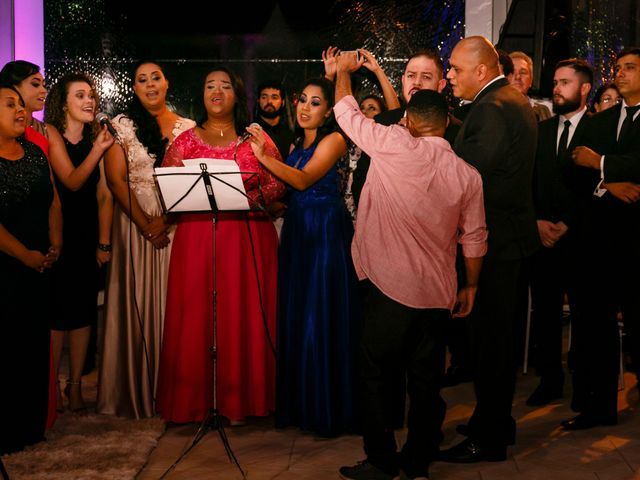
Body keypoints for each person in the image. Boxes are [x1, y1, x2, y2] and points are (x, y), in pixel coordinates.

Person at [333, 52, 487, 480]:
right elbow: (474, 238)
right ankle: (418, 460)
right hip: (438, 295)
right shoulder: (467, 174)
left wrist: (343, 72)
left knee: (375, 378)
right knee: (425, 384)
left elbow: (344, 110)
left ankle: (381, 461)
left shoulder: (391, 142)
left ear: (411, 121)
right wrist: (470, 286)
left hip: (388, 291)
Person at [156, 66, 285, 424]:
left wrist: (245, 194)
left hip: (247, 238)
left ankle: (244, 400)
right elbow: (168, 188)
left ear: (237, 95)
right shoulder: (182, 142)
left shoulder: (255, 138)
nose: (216, 91)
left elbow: (277, 183)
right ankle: (195, 401)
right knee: (198, 313)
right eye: (209, 85)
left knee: (240, 314)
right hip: (197, 239)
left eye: (225, 86)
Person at [439, 36, 539, 463]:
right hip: (508, 239)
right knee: (496, 341)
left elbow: (466, 177)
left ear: (481, 70)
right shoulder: (509, 101)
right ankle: (495, 422)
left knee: (491, 346)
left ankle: (490, 437)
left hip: (496, 243)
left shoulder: (494, 107)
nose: (450, 76)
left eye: (456, 69)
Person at [245, 77, 360, 436]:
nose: (305, 107)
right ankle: (302, 404)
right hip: (298, 230)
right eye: (303, 101)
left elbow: (303, 179)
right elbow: (290, 190)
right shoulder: (297, 142)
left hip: (325, 232)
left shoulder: (335, 140)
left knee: (320, 315)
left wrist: (263, 156)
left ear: (328, 111)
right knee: (299, 314)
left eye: (315, 103)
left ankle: (328, 408)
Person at [98, 61, 195, 419]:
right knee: (136, 299)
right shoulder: (121, 126)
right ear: (134, 88)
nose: (150, 84)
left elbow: (191, 183)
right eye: (142, 80)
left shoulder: (188, 128)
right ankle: (137, 390)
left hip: (175, 224)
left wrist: (166, 220)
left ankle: (176, 392)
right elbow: (115, 180)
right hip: (133, 222)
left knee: (176, 304)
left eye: (156, 77)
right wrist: (144, 225)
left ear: (167, 83)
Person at [567, 46, 640, 430]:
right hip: (600, 243)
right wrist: (607, 183)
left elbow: (595, 160)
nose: (621, 73)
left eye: (630, 67)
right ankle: (598, 409)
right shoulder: (600, 121)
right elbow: (574, 165)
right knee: (596, 327)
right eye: (618, 68)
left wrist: (601, 163)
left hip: (638, 244)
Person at [43, 73, 114, 413]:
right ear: (64, 103)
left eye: (91, 95)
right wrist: (98, 149)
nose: (89, 101)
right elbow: (71, 181)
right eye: (80, 96)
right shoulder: (51, 133)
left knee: (84, 310)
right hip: (58, 232)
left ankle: (75, 387)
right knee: (57, 313)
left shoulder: (95, 137)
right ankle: (51, 387)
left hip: (87, 233)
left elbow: (103, 194)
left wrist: (103, 242)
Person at [526, 59, 593, 408]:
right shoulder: (542, 130)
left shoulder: (599, 129)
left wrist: (567, 223)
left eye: (565, 83)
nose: (556, 88)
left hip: (581, 239)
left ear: (584, 89)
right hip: (543, 239)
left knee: (584, 315)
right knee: (546, 314)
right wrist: (537, 221)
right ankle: (550, 380)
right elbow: (530, 181)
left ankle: (583, 386)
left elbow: (598, 187)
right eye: (554, 82)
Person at [0, 84, 62, 454]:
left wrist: (56, 242)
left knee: (32, 345)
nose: (21, 111)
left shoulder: (35, 153)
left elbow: (53, 199)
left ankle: (30, 425)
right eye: (10, 105)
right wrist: (24, 254)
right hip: (6, 268)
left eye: (22, 106)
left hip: (39, 267)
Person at [254, 79, 295, 161]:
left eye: (274, 97)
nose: (269, 101)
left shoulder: (290, 135)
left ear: (282, 102)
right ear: (258, 100)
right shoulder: (251, 132)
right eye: (264, 97)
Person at [509, 51, 553, 121]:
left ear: (531, 80)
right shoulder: (494, 109)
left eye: (523, 72)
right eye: (512, 72)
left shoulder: (545, 111)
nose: (517, 77)